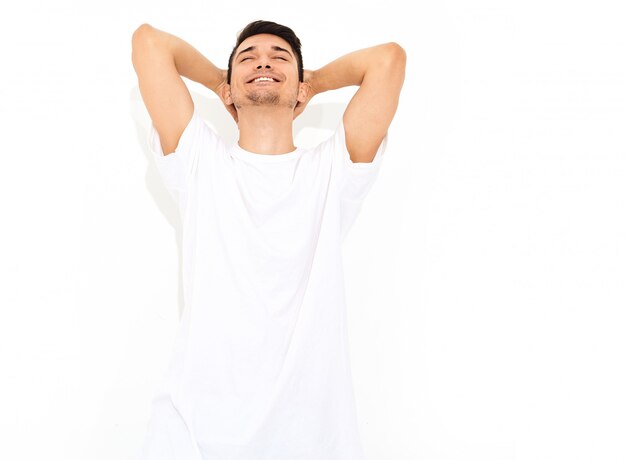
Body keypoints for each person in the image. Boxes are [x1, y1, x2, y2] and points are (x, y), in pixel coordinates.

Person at [131, 19, 405, 460]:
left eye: (280, 58)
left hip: (308, 441)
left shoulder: (333, 171)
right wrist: (221, 82)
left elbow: (388, 59)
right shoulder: (199, 159)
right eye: (248, 58)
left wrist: (312, 83)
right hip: (192, 438)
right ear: (229, 90)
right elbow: (149, 42)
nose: (263, 61)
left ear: (299, 89)